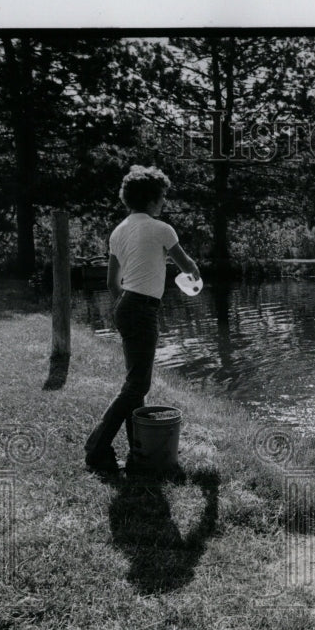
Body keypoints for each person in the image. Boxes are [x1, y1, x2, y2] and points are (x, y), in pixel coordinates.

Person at [84, 165, 200, 474]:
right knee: (137, 385)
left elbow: (111, 283)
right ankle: (96, 448)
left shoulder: (119, 231)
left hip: (125, 306)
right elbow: (187, 265)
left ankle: (139, 453)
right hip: (142, 308)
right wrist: (195, 274)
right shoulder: (161, 228)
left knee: (136, 384)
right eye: (162, 196)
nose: (164, 202)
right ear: (151, 198)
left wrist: (127, 304)